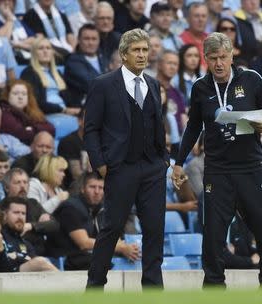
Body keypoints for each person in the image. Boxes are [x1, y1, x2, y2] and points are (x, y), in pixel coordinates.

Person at [172, 32, 262, 287]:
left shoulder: (251, 79)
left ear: (232, 56)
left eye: (223, 57)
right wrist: (178, 162)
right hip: (218, 170)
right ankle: (213, 287)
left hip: (252, 167)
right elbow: (193, 127)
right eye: (213, 58)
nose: (219, 63)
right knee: (212, 233)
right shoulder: (200, 87)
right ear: (205, 59)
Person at [84, 28, 169, 289]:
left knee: (154, 231)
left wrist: (163, 159)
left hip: (152, 168)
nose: (142, 55)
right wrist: (101, 165)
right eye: (137, 50)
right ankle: (95, 287)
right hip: (120, 168)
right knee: (111, 229)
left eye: (145, 50)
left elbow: (157, 124)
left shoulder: (153, 84)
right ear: (123, 54)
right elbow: (91, 129)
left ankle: (153, 290)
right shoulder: (103, 84)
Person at [49, 172, 139, 270]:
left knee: (132, 256)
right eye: (92, 187)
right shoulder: (70, 207)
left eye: (101, 188)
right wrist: (121, 248)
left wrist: (125, 247)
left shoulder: (100, 208)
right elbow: (84, 243)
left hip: (85, 256)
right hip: (67, 258)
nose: (97, 191)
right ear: (83, 189)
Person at [3, 168, 59, 256]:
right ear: (6, 187)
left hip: (38, 252)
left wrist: (32, 226)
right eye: (18, 182)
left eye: (25, 182)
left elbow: (54, 224)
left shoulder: (33, 204)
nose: (22, 186)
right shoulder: (2, 206)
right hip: (13, 252)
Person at [0, 196, 58, 271]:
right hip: (5, 277)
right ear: (5, 215)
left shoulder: (25, 242)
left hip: (26, 279)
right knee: (40, 262)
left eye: (23, 213)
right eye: (16, 213)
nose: (20, 217)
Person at [0, 79, 55, 145]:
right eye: (15, 94)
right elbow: (22, 134)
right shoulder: (4, 113)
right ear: (7, 96)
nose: (20, 97)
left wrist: (32, 128)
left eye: (24, 94)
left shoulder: (32, 110)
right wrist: (38, 130)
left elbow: (51, 129)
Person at [64, 24, 105, 107]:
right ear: (78, 40)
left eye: (94, 39)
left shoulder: (105, 58)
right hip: (84, 107)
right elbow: (91, 83)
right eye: (86, 39)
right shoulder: (72, 62)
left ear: (99, 41)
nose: (90, 43)